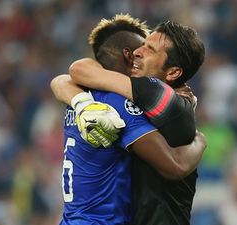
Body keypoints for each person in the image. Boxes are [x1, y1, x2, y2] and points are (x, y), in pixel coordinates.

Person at [50, 14, 206, 225]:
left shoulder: (84, 97)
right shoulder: (117, 103)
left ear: (174, 72)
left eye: (149, 49)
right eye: (140, 47)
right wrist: (200, 141)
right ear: (126, 54)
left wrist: (80, 102)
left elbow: (68, 76)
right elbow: (175, 165)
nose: (138, 53)